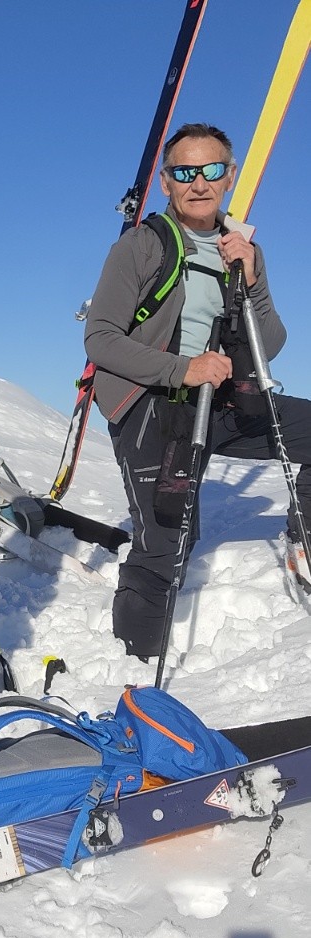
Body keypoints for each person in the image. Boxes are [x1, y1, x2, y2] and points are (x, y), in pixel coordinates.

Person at [85, 121, 311, 661]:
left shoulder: (242, 248)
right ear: (166, 182)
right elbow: (100, 340)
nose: (199, 182)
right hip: (153, 406)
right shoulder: (143, 246)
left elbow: (269, 342)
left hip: (224, 401)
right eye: (184, 172)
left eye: (212, 170)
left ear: (229, 176)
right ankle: (132, 662)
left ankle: (304, 540)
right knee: (169, 540)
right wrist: (181, 369)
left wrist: (251, 279)